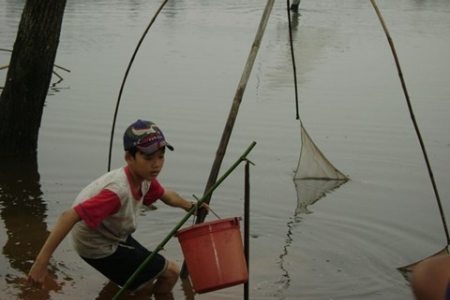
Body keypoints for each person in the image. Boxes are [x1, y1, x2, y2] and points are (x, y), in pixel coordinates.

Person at [28, 119, 208, 295]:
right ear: (129, 158)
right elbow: (68, 216)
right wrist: (41, 263)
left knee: (145, 280)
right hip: (96, 245)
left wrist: (190, 206)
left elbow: (165, 195)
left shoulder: (143, 178)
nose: (157, 164)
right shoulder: (117, 192)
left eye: (161, 157)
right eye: (149, 158)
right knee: (171, 273)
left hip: (110, 234)